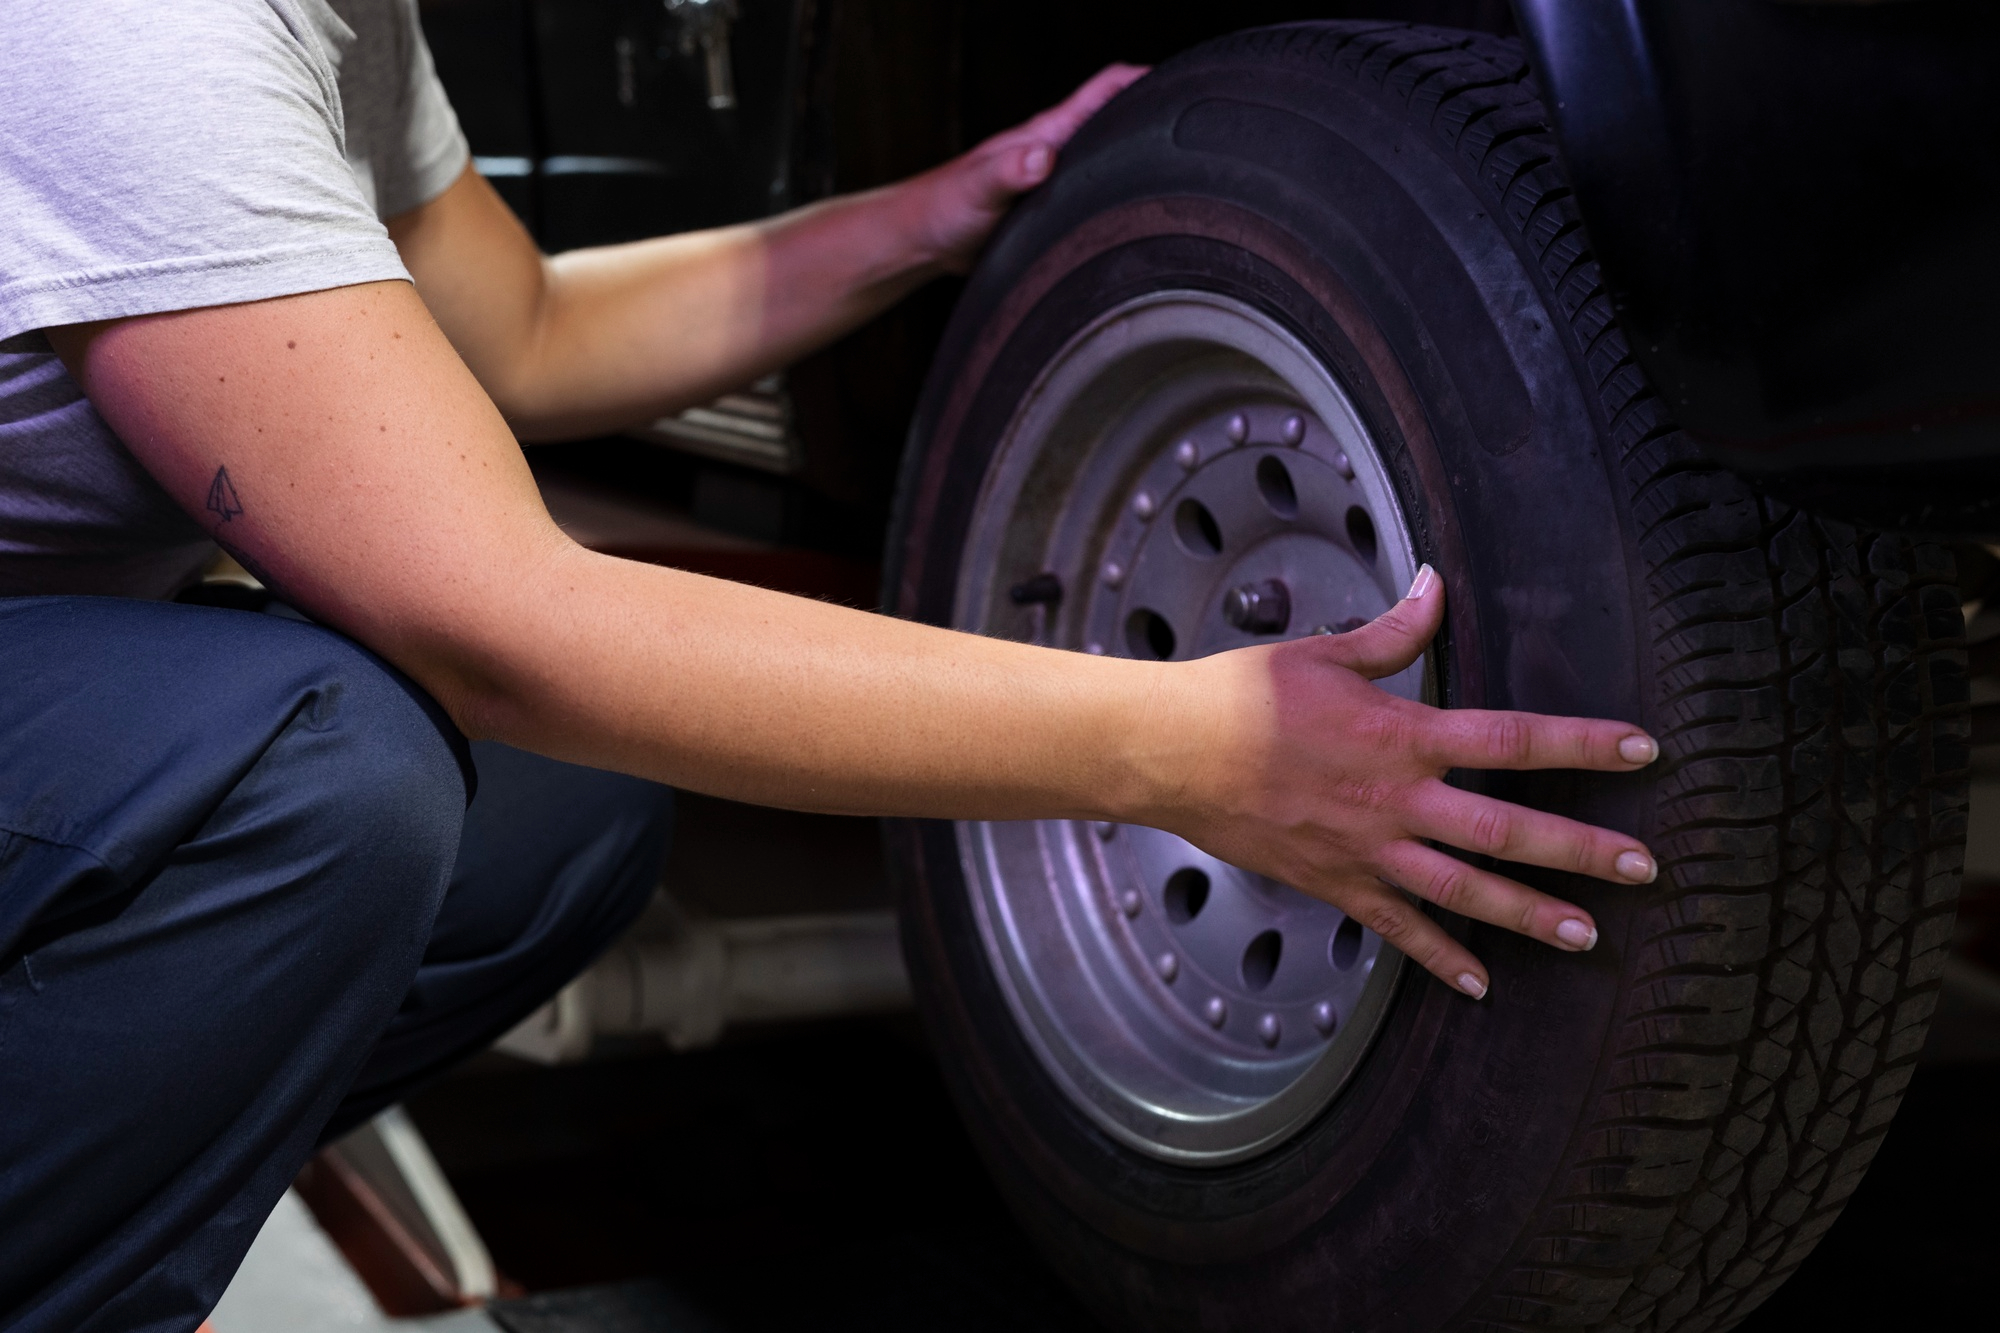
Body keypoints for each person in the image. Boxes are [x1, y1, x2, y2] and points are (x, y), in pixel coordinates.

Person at [0, 2, 1662, 1329]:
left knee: (554, 812)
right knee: (327, 774)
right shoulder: (143, 35)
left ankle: (91, 1167)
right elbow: (499, 623)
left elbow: (524, 331)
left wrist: (931, 214)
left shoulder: (350, 20)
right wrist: (1195, 746)